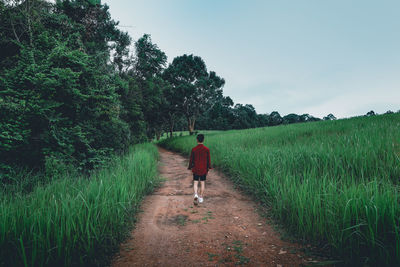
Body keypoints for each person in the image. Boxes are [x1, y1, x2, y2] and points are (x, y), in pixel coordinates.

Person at [188, 134, 211, 205]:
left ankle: (195, 194)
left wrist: (190, 167)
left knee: (195, 182)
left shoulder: (194, 149)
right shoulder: (207, 149)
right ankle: (200, 197)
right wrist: (208, 168)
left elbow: (191, 160)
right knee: (202, 183)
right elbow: (208, 160)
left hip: (196, 168)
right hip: (204, 169)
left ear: (197, 140)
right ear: (203, 140)